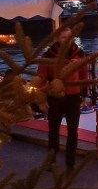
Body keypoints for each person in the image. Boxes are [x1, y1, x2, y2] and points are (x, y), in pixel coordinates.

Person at [36, 26, 88, 171]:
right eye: (64, 37)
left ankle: (70, 162)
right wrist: (41, 100)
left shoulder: (79, 54)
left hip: (73, 97)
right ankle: (51, 160)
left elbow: (84, 74)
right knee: (53, 130)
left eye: (69, 37)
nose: (67, 40)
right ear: (58, 39)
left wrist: (84, 93)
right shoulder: (48, 56)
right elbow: (41, 78)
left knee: (73, 131)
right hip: (55, 97)